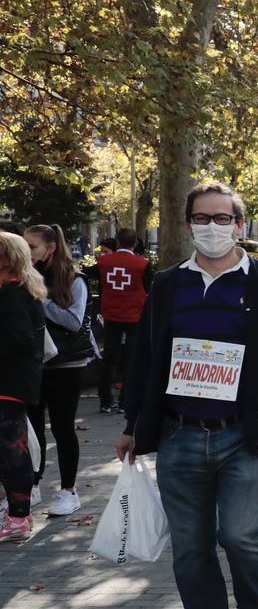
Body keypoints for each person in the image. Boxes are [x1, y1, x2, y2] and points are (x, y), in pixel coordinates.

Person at [115, 182, 258, 609]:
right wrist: (133, 424)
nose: (212, 227)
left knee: (239, 536)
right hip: (179, 436)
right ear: (187, 225)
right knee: (191, 548)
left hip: (241, 438)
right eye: (202, 218)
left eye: (223, 218)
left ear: (240, 225)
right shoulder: (166, 285)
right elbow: (144, 358)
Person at [24, 224, 94, 517]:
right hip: (34, 362)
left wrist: (41, 299)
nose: (27, 253)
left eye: (33, 247)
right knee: (33, 426)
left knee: (64, 427)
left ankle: (69, 491)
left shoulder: (74, 279)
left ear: (50, 248)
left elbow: (73, 321)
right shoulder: (25, 277)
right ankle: (33, 485)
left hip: (66, 362)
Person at [0, 233, 45, 542]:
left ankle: (19, 514)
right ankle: (16, 512)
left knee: (13, 449)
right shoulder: (15, 290)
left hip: (9, 382)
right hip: (13, 381)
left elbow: (20, 340)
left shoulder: (13, 294)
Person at [96, 227, 153, 414]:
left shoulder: (103, 262)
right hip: (134, 317)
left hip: (111, 315)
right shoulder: (142, 264)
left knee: (108, 359)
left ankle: (105, 401)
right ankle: (125, 401)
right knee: (131, 359)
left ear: (117, 242)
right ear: (135, 243)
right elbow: (149, 288)